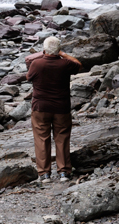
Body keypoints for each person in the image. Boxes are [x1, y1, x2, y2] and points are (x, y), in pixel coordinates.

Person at [26, 36, 82, 183]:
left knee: (41, 138)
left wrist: (43, 53)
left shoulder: (36, 64)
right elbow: (78, 63)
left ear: (44, 49)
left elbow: (27, 60)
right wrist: (62, 54)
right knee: (62, 138)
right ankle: (64, 172)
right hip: (61, 107)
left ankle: (44, 174)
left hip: (40, 107)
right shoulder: (65, 64)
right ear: (59, 50)